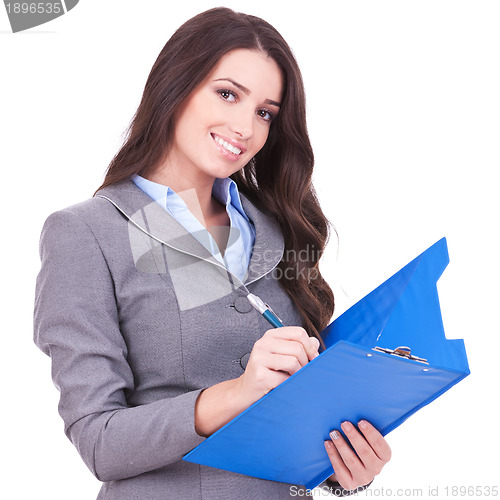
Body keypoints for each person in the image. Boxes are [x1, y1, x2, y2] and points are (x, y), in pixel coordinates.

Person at [34, 7, 391, 499]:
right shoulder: (88, 233)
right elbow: (100, 440)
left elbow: (299, 414)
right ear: (175, 87)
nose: (245, 127)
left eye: (265, 112)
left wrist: (345, 466)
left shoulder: (277, 229)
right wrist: (236, 394)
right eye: (227, 94)